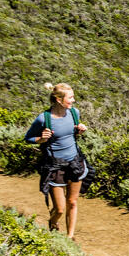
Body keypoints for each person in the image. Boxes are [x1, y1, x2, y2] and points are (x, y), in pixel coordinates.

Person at [25, 83, 89, 239]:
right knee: (60, 209)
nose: (73, 100)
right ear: (59, 100)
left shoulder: (74, 113)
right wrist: (40, 139)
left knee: (72, 202)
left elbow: (70, 135)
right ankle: (53, 222)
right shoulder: (43, 118)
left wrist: (79, 131)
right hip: (55, 166)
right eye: (70, 97)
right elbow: (28, 138)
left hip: (74, 162)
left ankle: (70, 236)